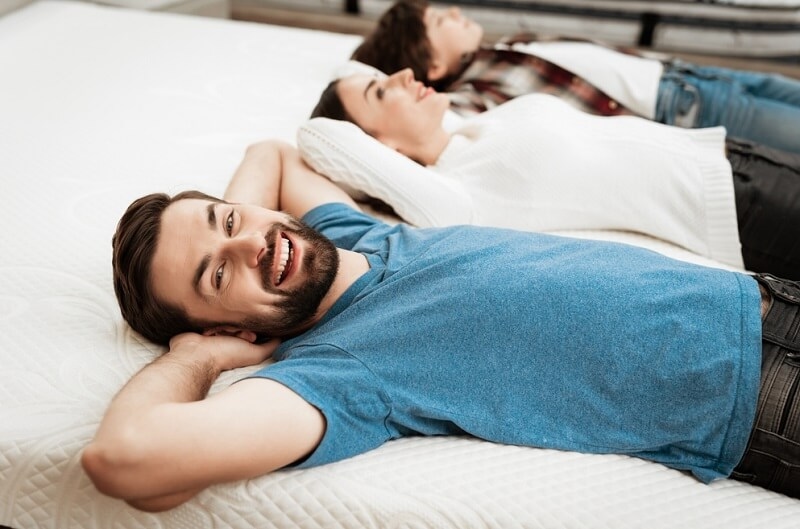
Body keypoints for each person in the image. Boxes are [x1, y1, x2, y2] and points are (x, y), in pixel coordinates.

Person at [83, 140, 800, 512]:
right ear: (230, 329)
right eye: (216, 275)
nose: (252, 245)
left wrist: (237, 235)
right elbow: (126, 460)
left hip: (763, 297)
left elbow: (273, 154)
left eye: (230, 221)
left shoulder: (349, 235)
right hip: (762, 396)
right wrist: (201, 358)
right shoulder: (333, 374)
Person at [305, 68, 800, 279]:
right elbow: (319, 136)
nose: (403, 75)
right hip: (740, 208)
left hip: (734, 155)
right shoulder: (455, 198)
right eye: (379, 90)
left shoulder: (477, 126)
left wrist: (377, 93)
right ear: (375, 148)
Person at [350, 0, 800, 154]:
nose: (454, 11)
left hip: (689, 75)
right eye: (439, 19)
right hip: (686, 110)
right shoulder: (481, 91)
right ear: (432, 67)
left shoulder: (510, 45)